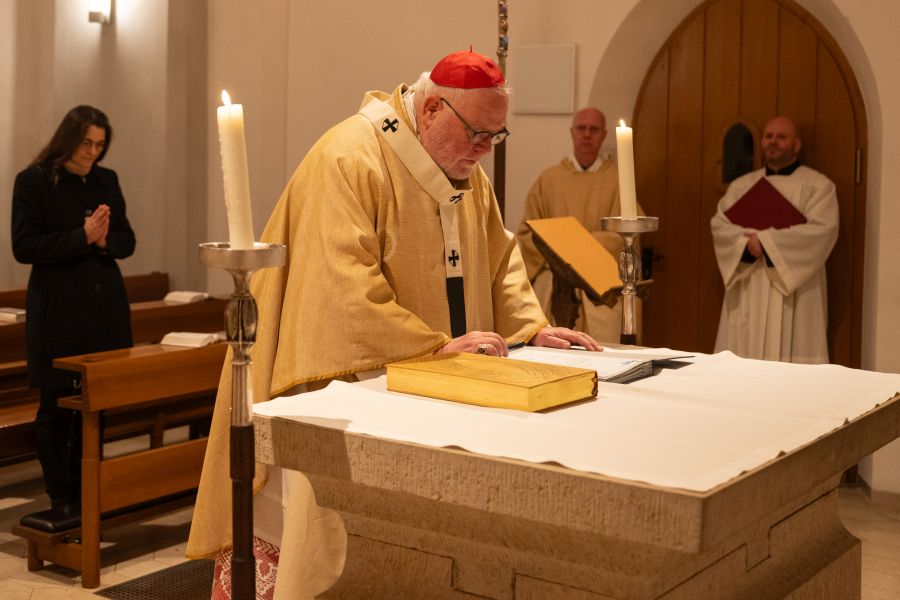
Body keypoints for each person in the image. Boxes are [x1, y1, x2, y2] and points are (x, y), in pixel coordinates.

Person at [188, 50, 601, 598]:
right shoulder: (349, 158)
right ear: (431, 109)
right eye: (477, 134)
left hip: (439, 387)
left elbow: (498, 259)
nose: (482, 151)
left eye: (494, 138)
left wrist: (530, 328)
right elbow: (342, 292)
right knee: (326, 548)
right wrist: (434, 348)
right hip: (345, 389)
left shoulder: (463, 168)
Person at [11, 105, 136, 516]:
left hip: (104, 309)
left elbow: (126, 241)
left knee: (95, 404)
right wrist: (81, 237)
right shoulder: (34, 182)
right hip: (59, 309)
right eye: (86, 143)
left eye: (100, 145)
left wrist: (102, 242)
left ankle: (89, 490)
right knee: (56, 406)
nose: (92, 153)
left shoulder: (107, 180)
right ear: (68, 139)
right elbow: (25, 246)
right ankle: (62, 497)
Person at [710, 116, 839, 363]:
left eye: (782, 137)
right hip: (750, 281)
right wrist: (744, 244)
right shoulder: (742, 186)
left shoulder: (818, 186)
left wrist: (767, 242)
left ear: (797, 144)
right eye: (769, 136)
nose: (774, 142)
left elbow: (821, 231)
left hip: (794, 286)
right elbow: (719, 225)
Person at [515, 108, 642, 343]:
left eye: (593, 130)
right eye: (581, 128)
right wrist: (563, 251)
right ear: (572, 133)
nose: (587, 135)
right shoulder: (549, 180)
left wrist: (576, 245)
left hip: (600, 293)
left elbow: (627, 237)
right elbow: (525, 234)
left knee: (604, 356)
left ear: (603, 135)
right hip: (555, 287)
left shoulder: (617, 181)